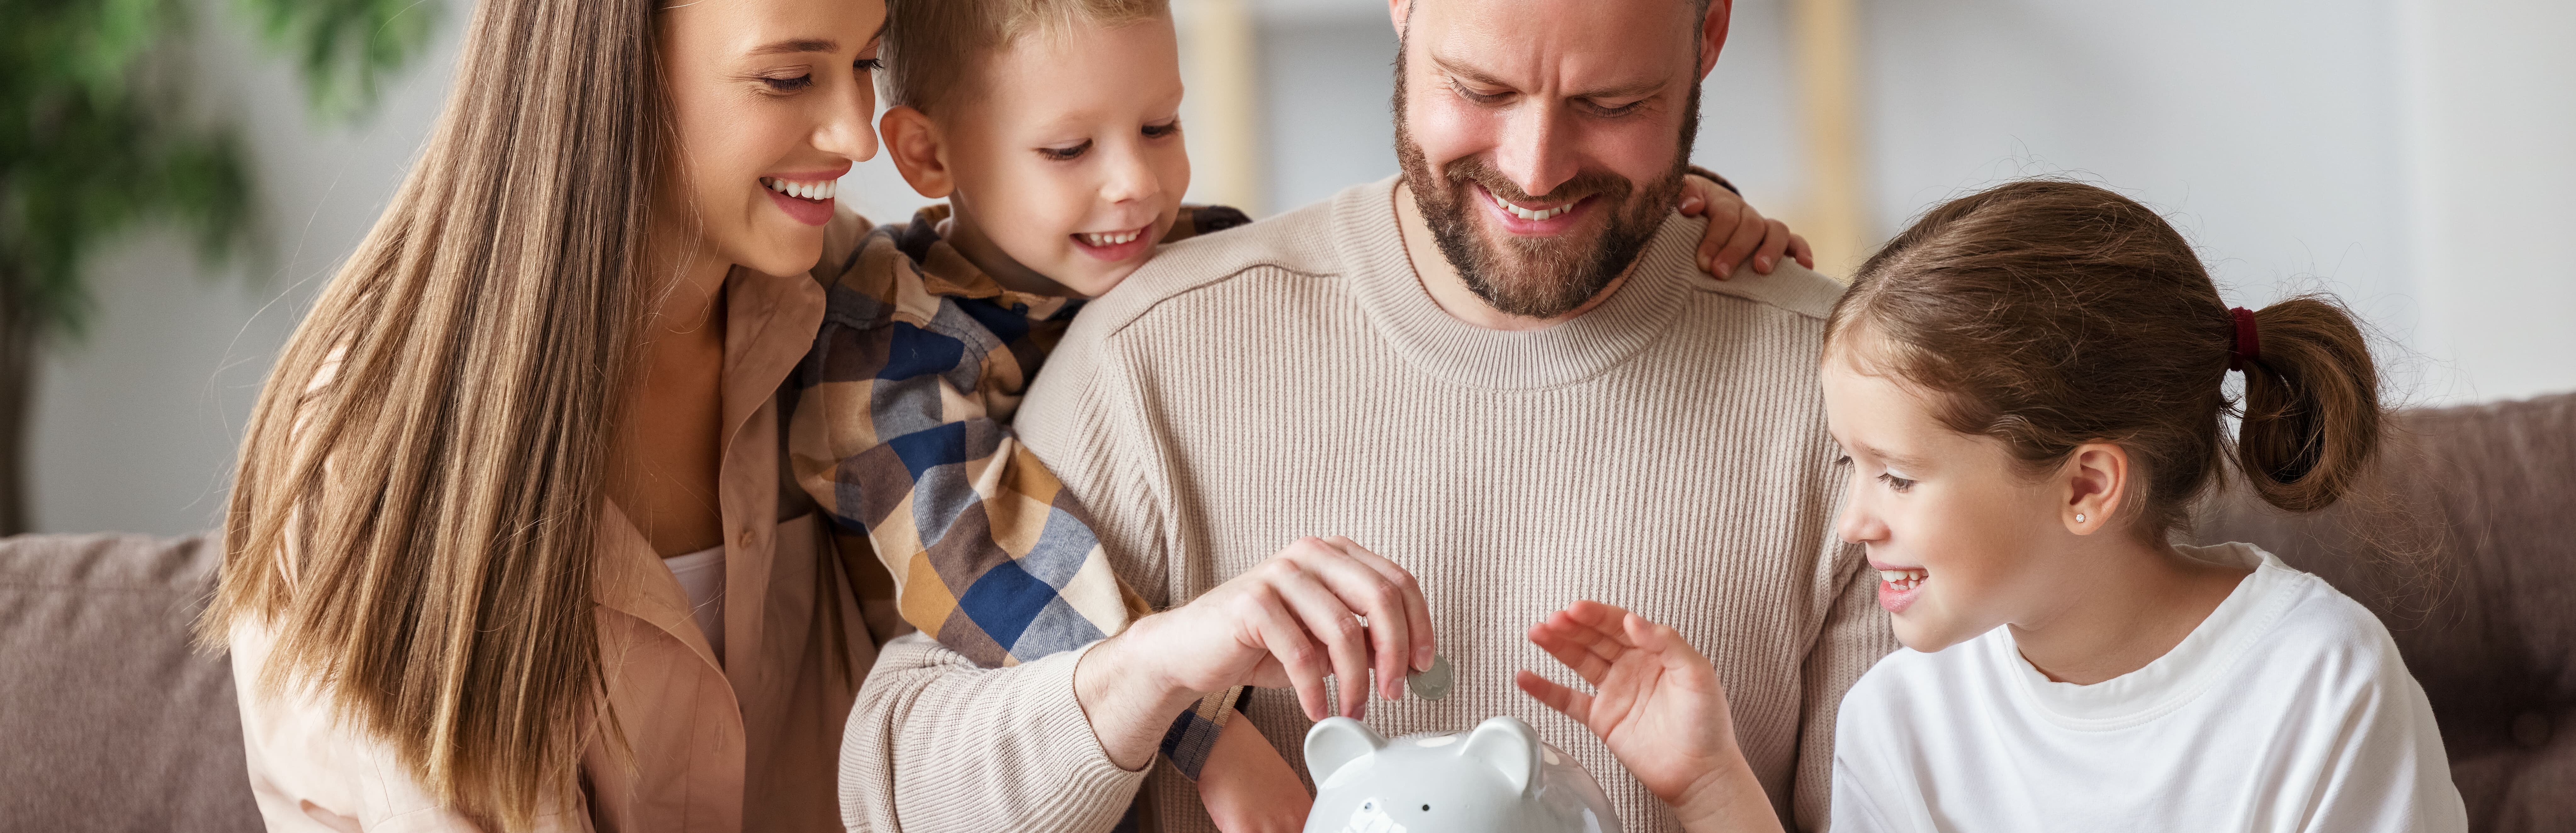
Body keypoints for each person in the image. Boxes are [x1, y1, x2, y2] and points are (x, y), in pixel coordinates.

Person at [839, 1, 1890, 831]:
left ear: (1709, 35)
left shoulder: (1847, 403)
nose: (1534, 168)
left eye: (1613, 104)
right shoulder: (1153, 339)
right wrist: (1154, 665)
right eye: (1480, 88)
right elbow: (897, 796)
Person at [1516, 180, 2470, 832]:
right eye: (1849, 465)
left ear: (2087, 488)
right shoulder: (1905, 713)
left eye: (1895, 474)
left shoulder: (2320, 686)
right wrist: (1712, 783)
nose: (1854, 521)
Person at [199, 0, 892, 828]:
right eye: (787, 79)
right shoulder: (374, 439)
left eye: (868, 64)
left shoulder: (865, 310)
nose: (861, 136)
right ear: (616, 75)